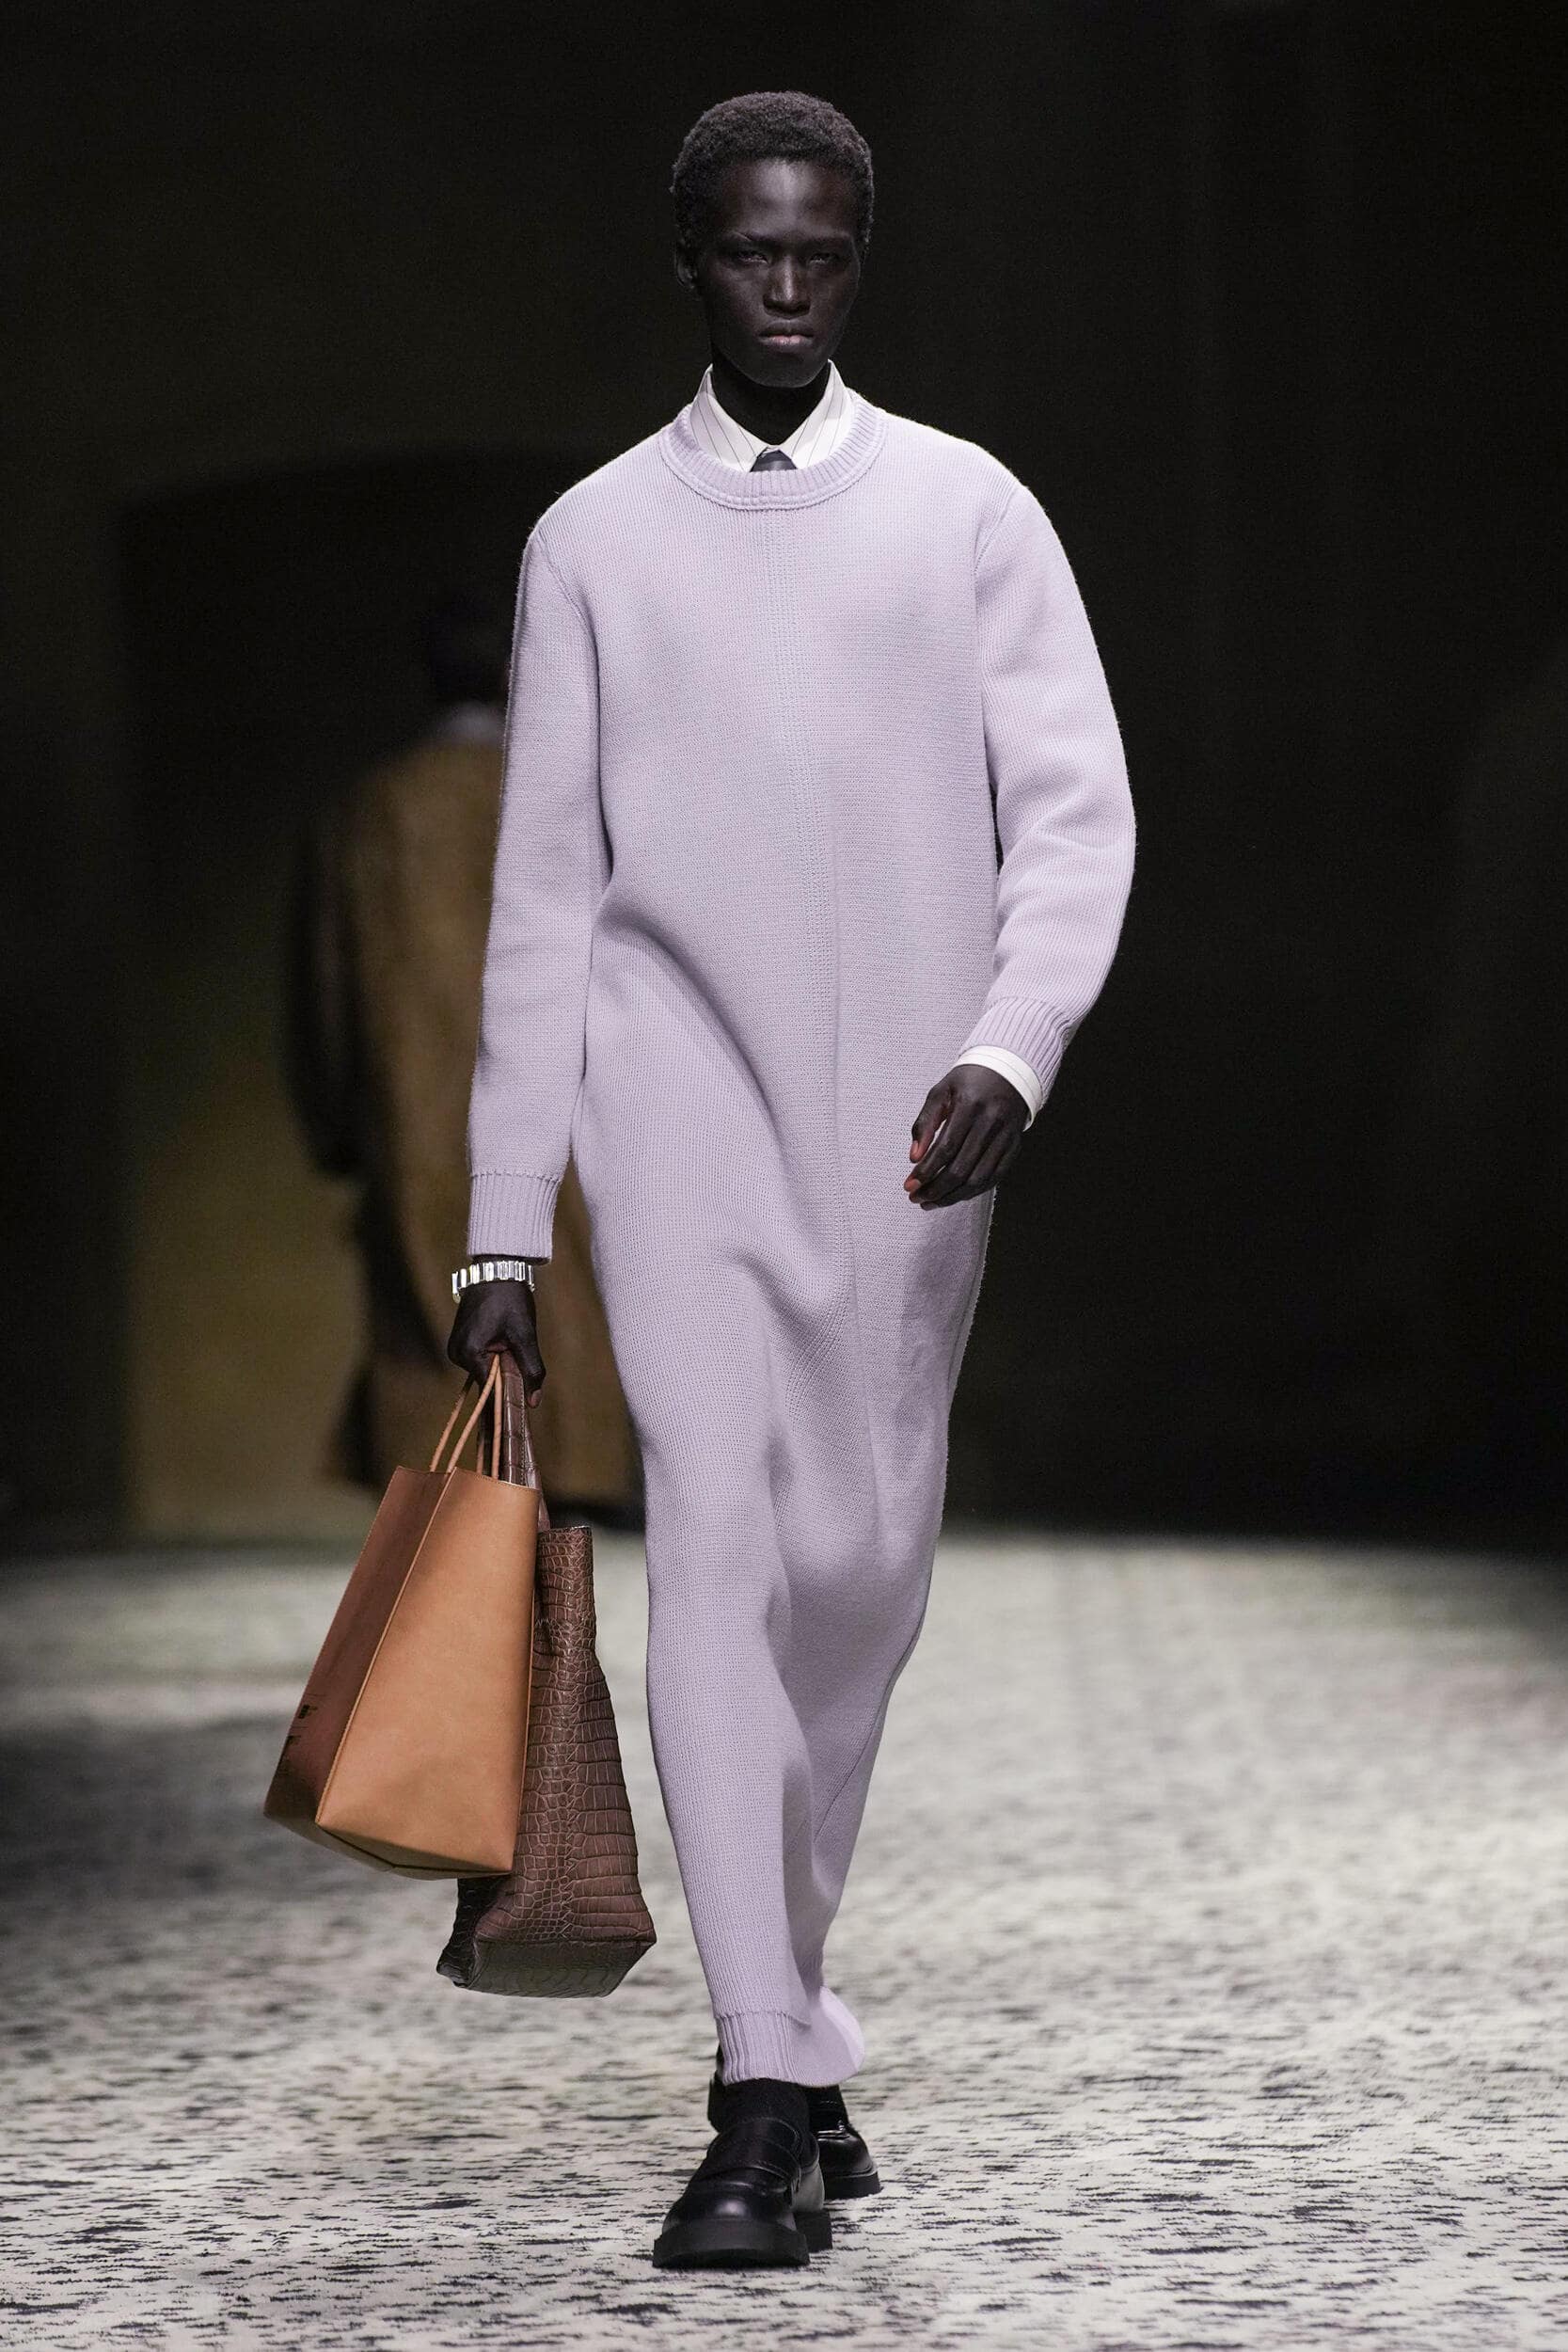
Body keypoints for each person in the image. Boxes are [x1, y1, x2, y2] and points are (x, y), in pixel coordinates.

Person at [448, 90, 1135, 2268]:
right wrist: (500, 1215)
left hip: (906, 1132)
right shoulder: (590, 542)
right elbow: (541, 895)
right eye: (750, 250)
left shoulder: (964, 513)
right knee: (719, 1550)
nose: (784, 285)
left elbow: (1076, 815)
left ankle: (794, 2013)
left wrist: (1010, 1045)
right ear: (690, 256)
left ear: (857, 258)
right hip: (668, 1106)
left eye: (820, 252)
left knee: (852, 1578)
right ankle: (753, 2081)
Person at [286, 589, 638, 1511]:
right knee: (569, 1310)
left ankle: (456, 1558)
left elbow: (325, 987)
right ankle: (564, 1506)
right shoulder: (578, 803)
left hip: (415, 1121)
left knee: (431, 1324)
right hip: (572, 1111)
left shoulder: (375, 812)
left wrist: (340, 1124)